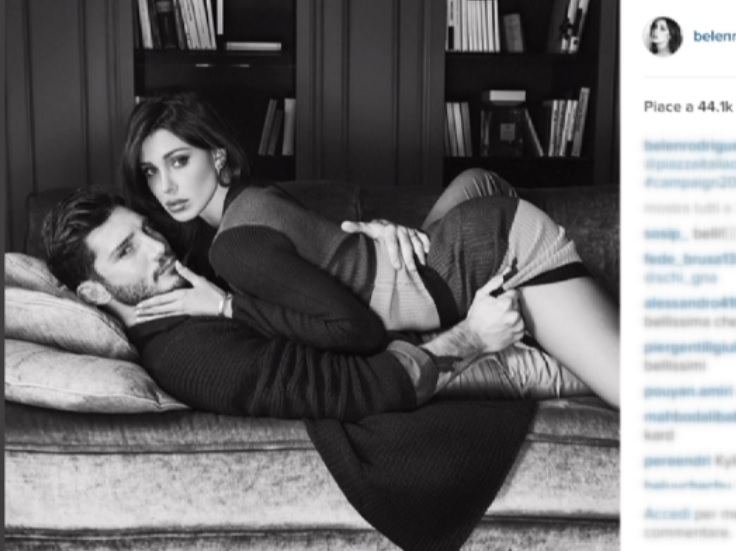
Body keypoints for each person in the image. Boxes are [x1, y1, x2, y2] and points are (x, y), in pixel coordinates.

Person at [41, 187, 540, 550]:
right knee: (529, 261)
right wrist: (475, 337)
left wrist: (378, 237)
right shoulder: (188, 355)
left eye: (146, 230)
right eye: (126, 250)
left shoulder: (188, 291)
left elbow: (315, 280)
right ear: (94, 292)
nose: (157, 246)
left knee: (482, 189)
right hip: (427, 366)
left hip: (404, 327)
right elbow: (359, 386)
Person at [122, 90, 620, 408]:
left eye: (178, 161)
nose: (166, 186)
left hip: (492, 243)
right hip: (453, 245)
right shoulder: (246, 204)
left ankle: (574, 309)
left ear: (217, 155)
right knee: (478, 182)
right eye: (151, 172)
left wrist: (228, 307)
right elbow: (328, 264)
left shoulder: (232, 246)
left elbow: (356, 329)